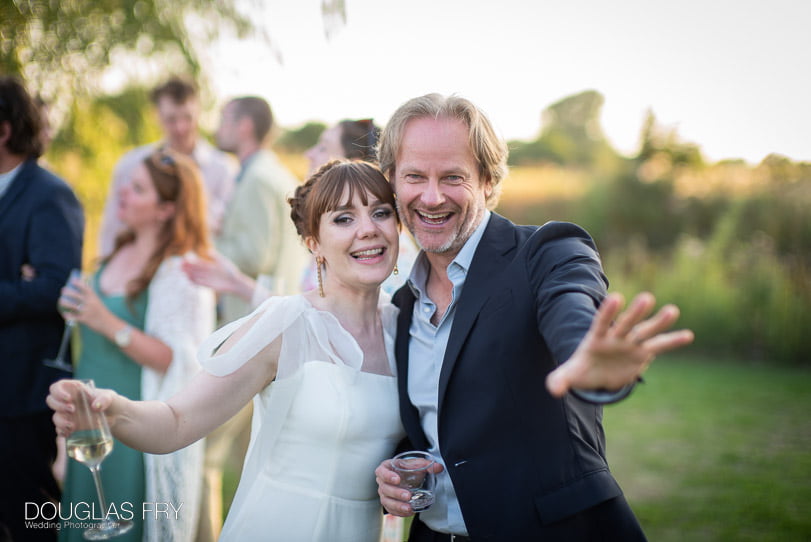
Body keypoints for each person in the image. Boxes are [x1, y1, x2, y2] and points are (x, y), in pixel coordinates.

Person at [373, 94, 695, 541]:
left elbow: (572, 306)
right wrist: (400, 468)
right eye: (414, 177)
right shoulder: (402, 303)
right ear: (392, 180)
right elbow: (443, 424)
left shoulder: (545, 252)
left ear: (487, 180)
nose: (431, 196)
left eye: (452, 177)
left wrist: (589, 358)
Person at [49, 160, 406, 542]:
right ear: (313, 243)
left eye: (380, 212)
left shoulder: (408, 328)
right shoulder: (286, 323)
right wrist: (114, 409)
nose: (368, 229)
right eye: (343, 219)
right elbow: (176, 422)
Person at [57, 149, 216, 542]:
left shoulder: (180, 271)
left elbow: (176, 359)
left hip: (132, 425)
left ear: (165, 209)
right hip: (86, 421)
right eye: (128, 183)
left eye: (138, 188)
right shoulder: (117, 250)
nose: (123, 193)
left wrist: (103, 320)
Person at [192, 95, 311, 542]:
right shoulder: (262, 173)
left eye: (223, 118)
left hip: (259, 333)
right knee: (251, 460)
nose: (217, 126)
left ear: (244, 126)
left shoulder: (260, 176)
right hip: (265, 328)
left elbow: (256, 254)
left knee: (204, 451)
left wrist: (206, 243)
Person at [0, 76, 84, 542]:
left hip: (23, 383)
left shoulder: (50, 193)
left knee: (29, 509)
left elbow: (57, 285)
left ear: (5, 129)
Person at [98, 76, 237, 257]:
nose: (180, 128)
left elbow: (229, 232)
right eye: (171, 119)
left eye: (188, 117)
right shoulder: (131, 164)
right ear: (157, 115)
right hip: (140, 268)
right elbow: (113, 228)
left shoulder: (223, 169)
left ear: (199, 112)